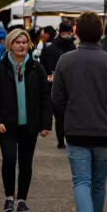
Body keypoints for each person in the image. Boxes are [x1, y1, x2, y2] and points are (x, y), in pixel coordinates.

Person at [51, 11, 107, 212]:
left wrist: (70, 114)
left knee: (81, 181)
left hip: (76, 129)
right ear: (100, 32)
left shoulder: (65, 61)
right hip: (105, 130)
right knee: (99, 184)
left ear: (76, 32)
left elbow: (57, 98)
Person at [0, 27, 52, 212]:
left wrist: (46, 123)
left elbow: (45, 96)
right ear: (10, 45)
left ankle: (22, 199)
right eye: (18, 42)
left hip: (29, 125)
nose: (22, 46)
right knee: (8, 160)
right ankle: (9, 198)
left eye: (24, 42)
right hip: (6, 124)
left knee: (25, 162)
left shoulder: (36, 67)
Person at [41, 19, 77, 148]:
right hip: (56, 84)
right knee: (60, 114)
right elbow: (44, 65)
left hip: (70, 85)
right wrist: (48, 77)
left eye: (68, 32)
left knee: (65, 114)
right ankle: (62, 140)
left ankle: (65, 140)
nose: (67, 34)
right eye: (65, 32)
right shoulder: (53, 48)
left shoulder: (72, 47)